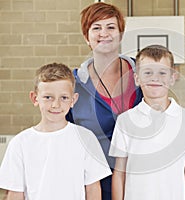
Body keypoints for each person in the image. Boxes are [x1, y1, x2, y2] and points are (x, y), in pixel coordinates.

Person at [109, 45, 185, 200]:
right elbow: (119, 172)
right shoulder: (125, 121)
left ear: (173, 77)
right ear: (136, 78)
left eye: (162, 73)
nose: (155, 78)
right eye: (147, 72)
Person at [0, 63, 112, 200]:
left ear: (73, 100)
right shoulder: (20, 143)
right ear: (35, 98)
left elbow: (93, 189)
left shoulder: (86, 138)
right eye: (48, 97)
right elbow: (15, 193)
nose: (56, 105)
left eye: (64, 98)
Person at [66, 2, 143, 199]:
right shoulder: (73, 84)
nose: (104, 33)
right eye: (96, 28)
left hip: (141, 180)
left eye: (111, 27)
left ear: (121, 34)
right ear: (86, 37)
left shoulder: (143, 76)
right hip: (93, 185)